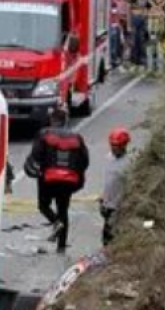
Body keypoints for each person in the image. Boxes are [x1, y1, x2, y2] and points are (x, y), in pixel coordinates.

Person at [24, 108, 90, 254]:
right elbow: (84, 161)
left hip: (48, 179)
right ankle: (61, 246)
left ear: (51, 120)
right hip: (68, 181)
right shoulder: (77, 137)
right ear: (65, 121)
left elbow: (35, 156)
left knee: (43, 206)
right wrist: (78, 177)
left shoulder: (44, 134)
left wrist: (35, 170)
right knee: (63, 210)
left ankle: (55, 222)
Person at [100, 127, 131, 246]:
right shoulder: (108, 158)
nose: (113, 148)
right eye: (112, 144)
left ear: (124, 145)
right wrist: (103, 198)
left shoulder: (129, 163)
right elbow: (107, 181)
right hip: (107, 204)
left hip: (119, 207)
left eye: (116, 145)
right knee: (106, 237)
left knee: (113, 237)